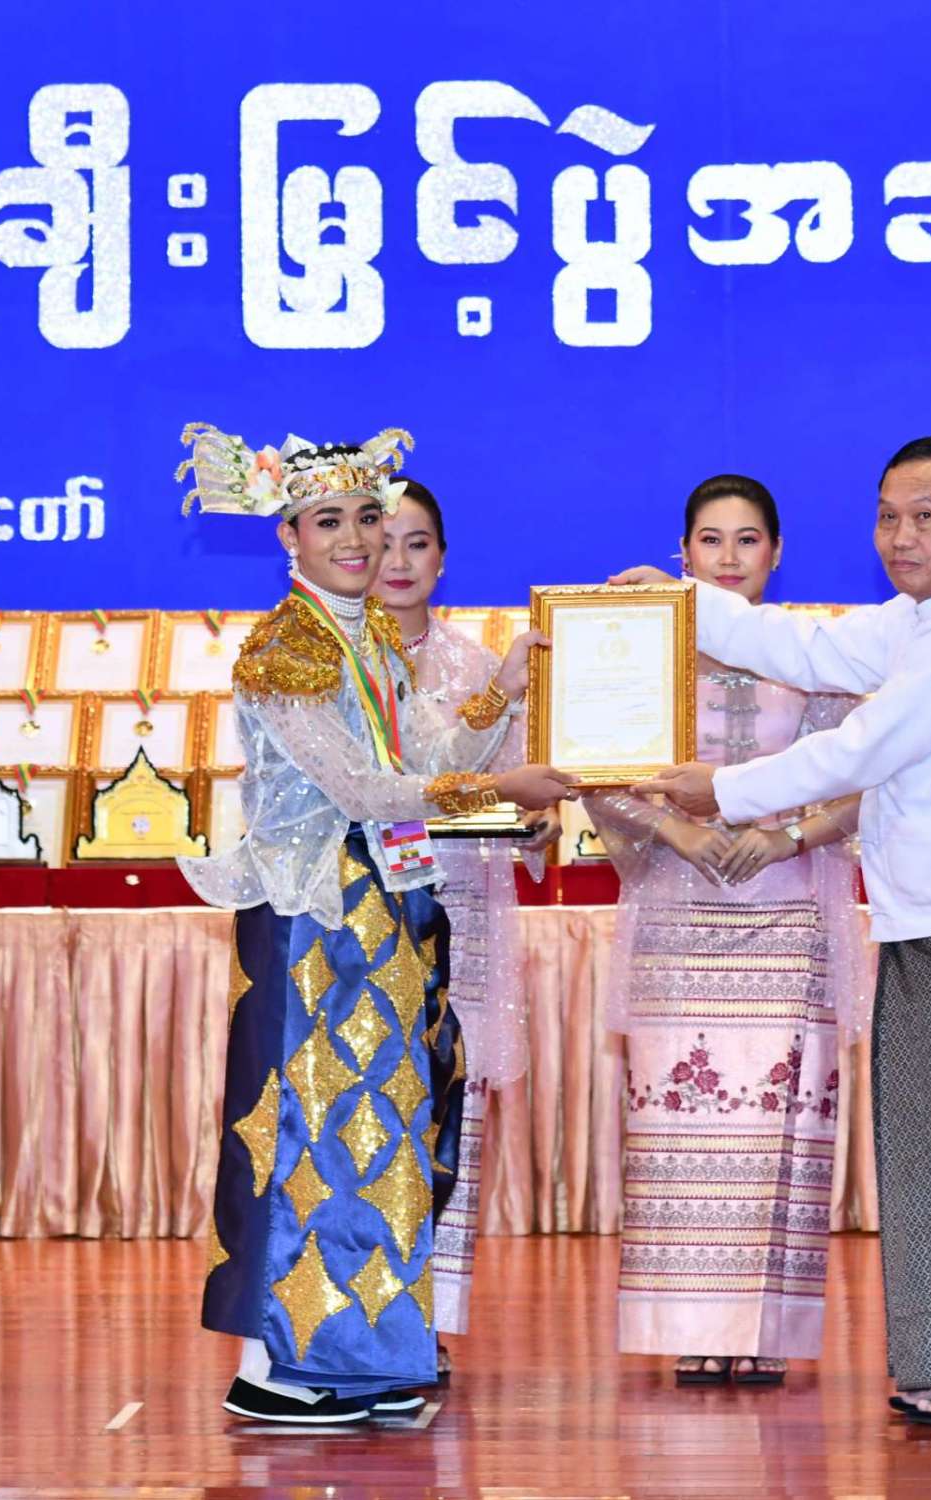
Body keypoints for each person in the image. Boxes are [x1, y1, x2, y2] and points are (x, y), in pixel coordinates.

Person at [613, 437, 931, 1426]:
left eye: (925, 517)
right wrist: (680, 605)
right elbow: (806, 651)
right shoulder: (919, 619)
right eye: (887, 516)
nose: (899, 536)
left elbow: (862, 745)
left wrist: (722, 789)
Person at [175, 423, 575, 1424]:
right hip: (312, 917)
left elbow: (426, 753)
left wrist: (505, 691)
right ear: (290, 537)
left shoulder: (365, 639)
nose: (354, 540)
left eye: (366, 517)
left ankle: (360, 1361)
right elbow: (360, 789)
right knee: (307, 1133)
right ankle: (278, 1369)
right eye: (328, 522)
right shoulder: (287, 648)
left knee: (379, 1130)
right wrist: (500, 785)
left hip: (381, 909)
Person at [589, 474, 867, 1387]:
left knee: (777, 1121)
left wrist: (788, 834)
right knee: (682, 1124)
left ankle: (766, 1328)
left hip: (787, 913)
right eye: (710, 541)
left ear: (777, 554)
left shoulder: (812, 654)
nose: (729, 558)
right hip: (679, 910)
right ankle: (691, 1323)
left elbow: (863, 779)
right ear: (683, 554)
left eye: (748, 540)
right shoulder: (645, 648)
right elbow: (598, 771)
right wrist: (679, 832)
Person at [373, 476, 560, 1381]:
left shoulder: (484, 668)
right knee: (371, 1108)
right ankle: (365, 1310)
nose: (399, 561)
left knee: (453, 1116)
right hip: (371, 918)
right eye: (384, 541)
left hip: (465, 919)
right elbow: (384, 795)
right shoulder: (337, 668)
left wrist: (535, 824)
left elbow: (521, 795)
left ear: (443, 558)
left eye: (418, 543)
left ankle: (432, 1323)